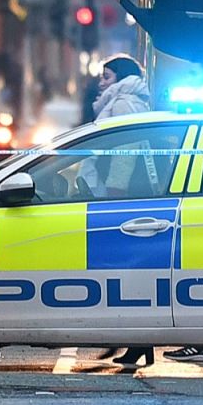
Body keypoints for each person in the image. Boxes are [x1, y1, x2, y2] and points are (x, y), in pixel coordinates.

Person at [85, 55, 165, 368]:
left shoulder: (122, 104)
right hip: (134, 196)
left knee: (126, 271)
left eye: (106, 76)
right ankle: (134, 342)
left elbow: (124, 154)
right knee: (133, 272)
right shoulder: (131, 100)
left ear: (119, 78)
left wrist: (114, 196)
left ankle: (134, 340)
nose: (101, 82)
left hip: (123, 199)